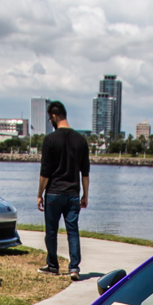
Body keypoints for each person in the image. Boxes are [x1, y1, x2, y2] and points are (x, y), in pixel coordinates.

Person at [36, 100, 89, 277]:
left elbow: (45, 173)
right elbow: (85, 172)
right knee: (72, 230)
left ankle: (53, 265)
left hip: (54, 193)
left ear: (53, 117)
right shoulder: (81, 140)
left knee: (51, 231)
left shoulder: (50, 140)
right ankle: (74, 268)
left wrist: (39, 194)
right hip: (73, 193)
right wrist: (85, 195)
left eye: (49, 119)